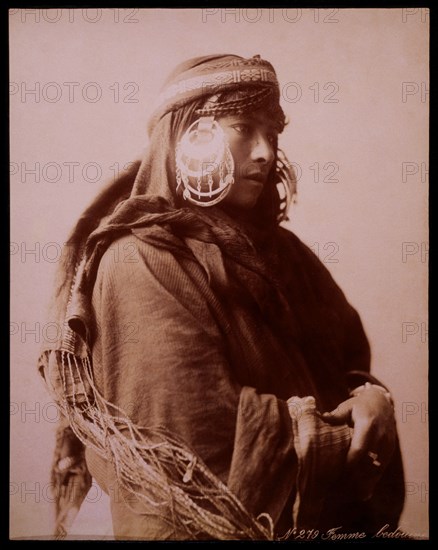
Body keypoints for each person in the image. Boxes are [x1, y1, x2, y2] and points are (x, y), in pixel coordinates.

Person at [38, 53, 405, 541]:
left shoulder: (288, 256)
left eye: (272, 133)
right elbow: (197, 441)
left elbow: (345, 363)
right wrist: (348, 435)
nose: (264, 153)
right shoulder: (140, 260)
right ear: (188, 133)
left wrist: (372, 398)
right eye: (242, 127)